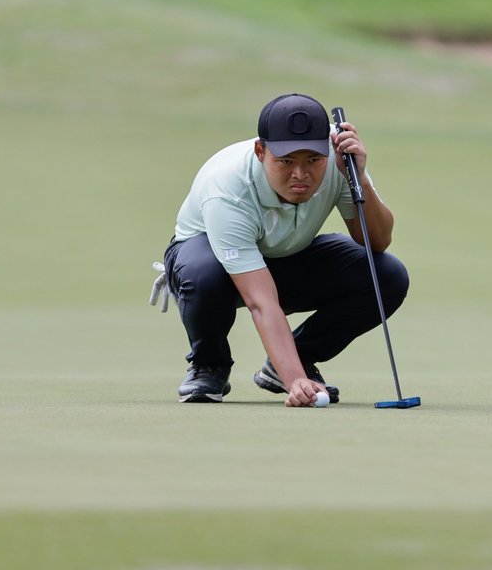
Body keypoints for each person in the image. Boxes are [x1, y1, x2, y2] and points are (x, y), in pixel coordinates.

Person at [160, 93, 409, 406]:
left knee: (387, 275)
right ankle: (209, 365)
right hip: (212, 264)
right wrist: (296, 383)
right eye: (286, 161)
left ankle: (296, 358)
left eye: (313, 161)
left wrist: (358, 180)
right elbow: (261, 301)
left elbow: (377, 241)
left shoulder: (339, 160)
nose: (301, 175)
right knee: (203, 274)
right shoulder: (228, 187)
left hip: (288, 255)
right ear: (260, 151)